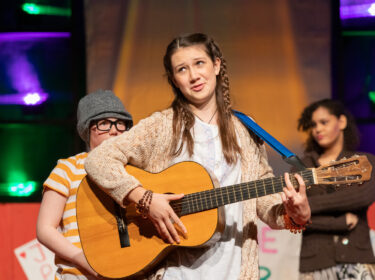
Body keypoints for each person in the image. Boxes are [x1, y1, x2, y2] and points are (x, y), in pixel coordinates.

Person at [84, 33, 311, 280]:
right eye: (182, 69)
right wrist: (145, 199)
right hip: (175, 272)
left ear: (216, 65)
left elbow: (263, 202)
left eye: (199, 63)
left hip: (235, 270)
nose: (193, 76)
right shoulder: (160, 126)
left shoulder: (246, 129)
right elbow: (98, 160)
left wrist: (294, 213)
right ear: (174, 79)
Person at [36, 89, 133, 279]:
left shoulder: (135, 170)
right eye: (104, 123)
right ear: (87, 129)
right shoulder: (68, 168)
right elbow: (45, 229)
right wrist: (82, 258)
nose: (114, 130)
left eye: (120, 123)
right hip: (78, 273)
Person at [296, 99, 375, 280]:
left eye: (324, 122)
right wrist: (339, 222)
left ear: (341, 122)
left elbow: (363, 197)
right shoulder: (302, 167)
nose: (318, 129)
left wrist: (309, 205)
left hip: (357, 258)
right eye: (313, 125)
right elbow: (295, 214)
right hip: (315, 263)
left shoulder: (363, 162)